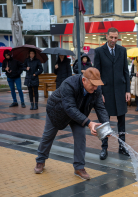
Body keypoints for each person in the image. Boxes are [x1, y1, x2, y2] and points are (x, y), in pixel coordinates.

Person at [34, 68, 109, 180]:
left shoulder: (96, 89)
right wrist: (88, 123)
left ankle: (79, 167)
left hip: (78, 114)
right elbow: (69, 108)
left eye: (97, 85)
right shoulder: (69, 84)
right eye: (93, 85)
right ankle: (40, 160)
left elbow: (100, 107)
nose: (95, 87)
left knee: (80, 137)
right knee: (48, 136)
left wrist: (106, 127)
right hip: (57, 111)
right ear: (84, 80)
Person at [94, 27, 131, 161]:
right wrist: (99, 93)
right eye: (111, 37)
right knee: (105, 121)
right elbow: (96, 74)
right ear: (107, 36)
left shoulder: (122, 50)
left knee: (121, 122)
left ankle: (122, 147)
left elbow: (125, 72)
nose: (113, 40)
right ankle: (104, 148)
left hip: (120, 92)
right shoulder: (99, 51)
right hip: (106, 92)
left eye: (116, 38)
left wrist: (128, 90)